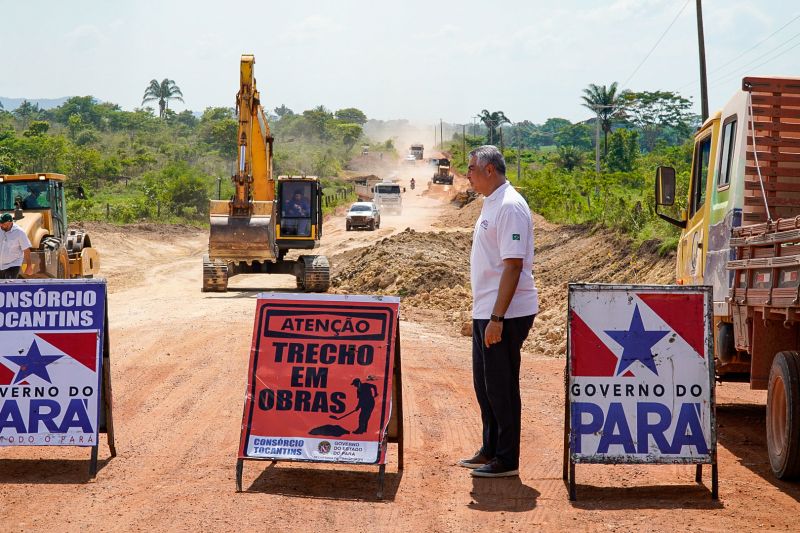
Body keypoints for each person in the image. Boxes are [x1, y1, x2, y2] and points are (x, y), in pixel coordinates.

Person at [458, 145, 537, 478]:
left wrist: (497, 318)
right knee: (485, 384)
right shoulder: (490, 203)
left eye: (472, 168)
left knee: (501, 386)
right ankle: (490, 448)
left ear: (490, 169)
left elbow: (513, 266)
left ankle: (506, 459)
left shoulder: (510, 206)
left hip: (506, 312)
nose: (467, 174)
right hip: (487, 311)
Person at [0, 213, 34, 279]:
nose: (1, 225)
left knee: (9, 285)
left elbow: (26, 249)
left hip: (13, 264)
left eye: (3, 223)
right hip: (1, 264)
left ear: (9, 223)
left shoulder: (19, 232)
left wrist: (29, 266)